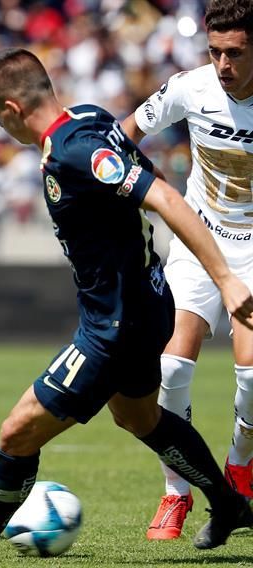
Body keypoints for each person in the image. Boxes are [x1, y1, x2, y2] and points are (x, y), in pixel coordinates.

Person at [0, 48, 253, 563]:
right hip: (145, 303)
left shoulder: (75, 149)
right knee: (139, 417)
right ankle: (228, 503)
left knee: (17, 432)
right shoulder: (90, 117)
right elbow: (146, 180)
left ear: (12, 110)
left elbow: (165, 198)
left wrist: (224, 279)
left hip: (114, 325)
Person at [120, 0, 253, 540]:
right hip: (200, 239)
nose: (223, 65)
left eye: (235, 53)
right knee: (170, 369)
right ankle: (177, 489)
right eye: (215, 51)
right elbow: (125, 132)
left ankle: (240, 466)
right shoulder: (190, 87)